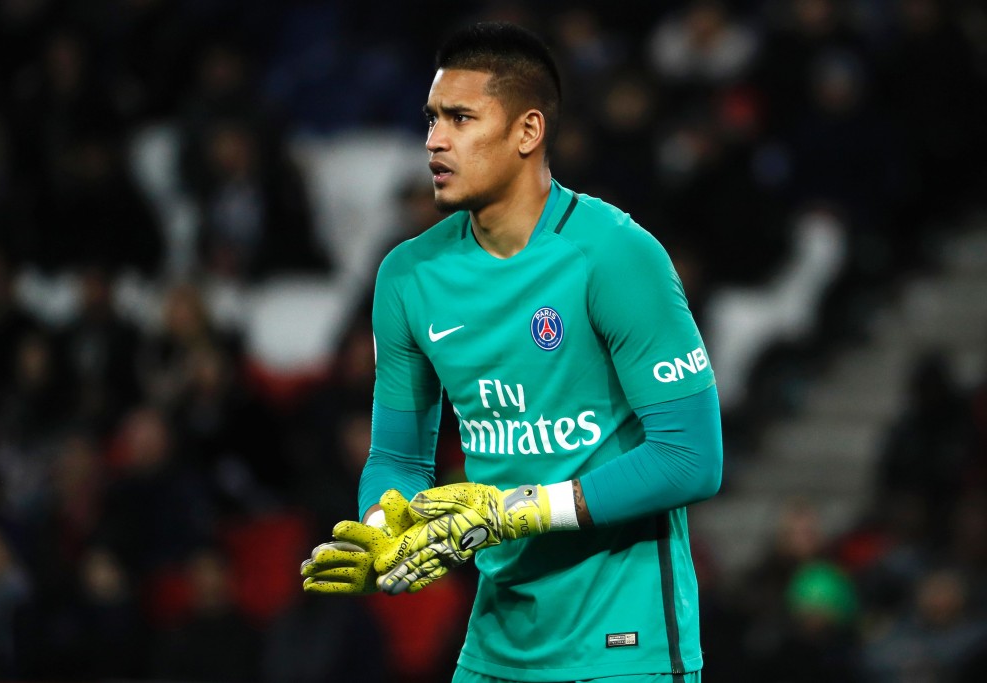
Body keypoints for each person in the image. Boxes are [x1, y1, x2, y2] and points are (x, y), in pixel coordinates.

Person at [301, 21, 723, 683]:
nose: (435, 141)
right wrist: (386, 526)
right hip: (497, 644)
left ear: (528, 132)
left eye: (462, 119)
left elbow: (692, 457)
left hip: (623, 643)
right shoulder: (408, 276)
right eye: (433, 119)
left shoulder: (615, 254)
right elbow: (397, 456)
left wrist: (522, 508)